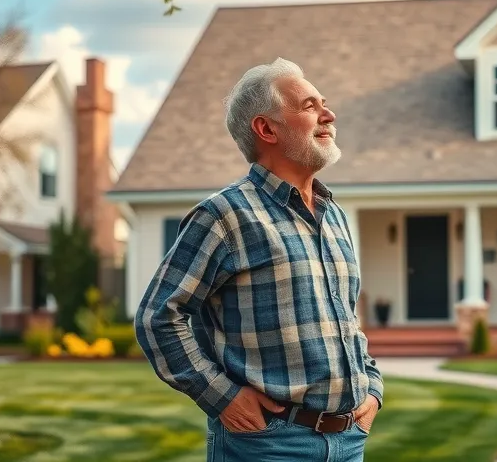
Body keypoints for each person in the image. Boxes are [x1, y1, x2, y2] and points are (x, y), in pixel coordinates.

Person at [134, 57, 383, 461]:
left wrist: (372, 387)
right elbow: (159, 316)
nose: (329, 114)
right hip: (269, 444)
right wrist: (222, 398)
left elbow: (346, 318)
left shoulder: (333, 215)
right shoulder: (224, 216)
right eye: (309, 106)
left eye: (324, 103)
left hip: (350, 438)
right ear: (266, 128)